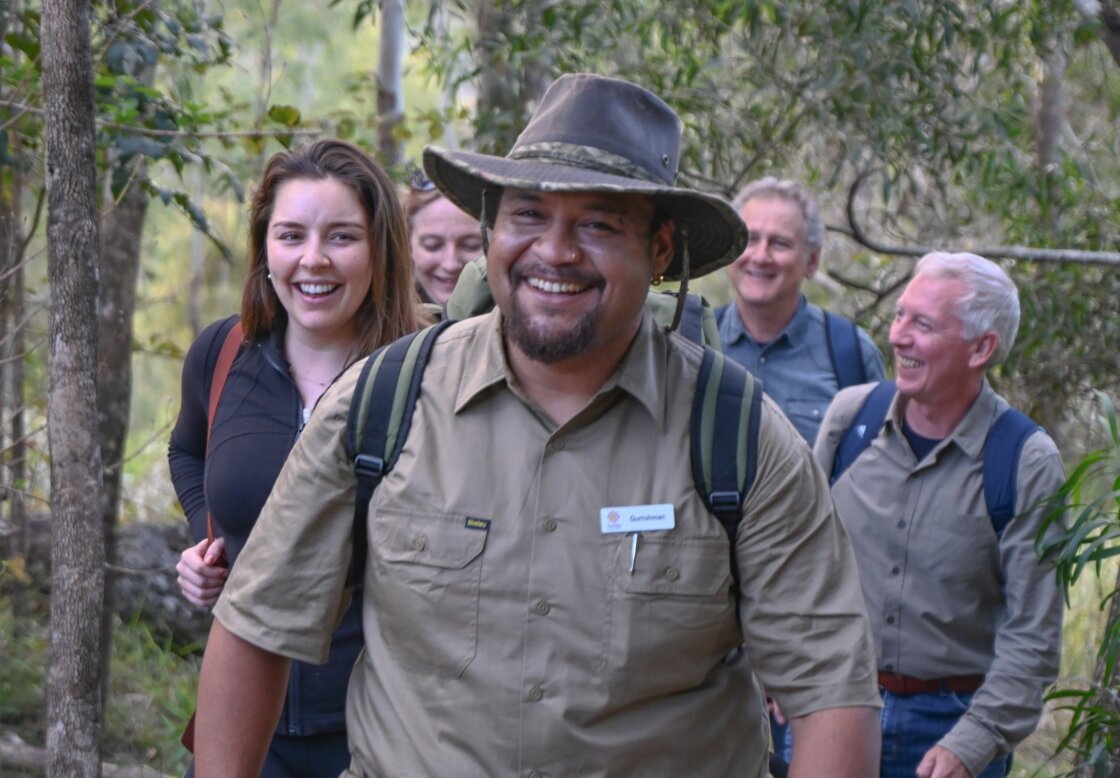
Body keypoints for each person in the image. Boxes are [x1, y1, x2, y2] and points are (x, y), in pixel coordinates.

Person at [192, 73, 881, 777]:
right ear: (491, 228)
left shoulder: (738, 439)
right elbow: (256, 628)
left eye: (598, 224)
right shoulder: (385, 402)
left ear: (662, 250)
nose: (554, 251)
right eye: (527, 216)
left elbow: (831, 693)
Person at [168, 139, 424, 777]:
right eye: (290, 235)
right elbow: (186, 452)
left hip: (383, 728)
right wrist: (211, 540)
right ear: (265, 249)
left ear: (379, 249)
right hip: (249, 728)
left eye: (342, 237)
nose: (314, 260)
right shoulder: (223, 354)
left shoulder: (425, 376)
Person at [815, 252, 1065, 778]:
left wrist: (971, 746)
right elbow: (796, 565)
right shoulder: (850, 420)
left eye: (923, 324)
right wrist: (782, 676)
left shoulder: (1024, 459)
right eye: (900, 315)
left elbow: (1033, 636)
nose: (898, 336)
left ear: (982, 348)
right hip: (834, 701)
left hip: (951, 722)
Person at [716, 177, 885, 444]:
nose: (760, 256)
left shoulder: (851, 354)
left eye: (779, 243)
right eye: (749, 239)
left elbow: (875, 466)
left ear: (812, 261)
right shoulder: (693, 341)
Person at [404, 169, 484, 305]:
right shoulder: (383, 322)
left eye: (471, 245)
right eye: (432, 245)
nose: (451, 265)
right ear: (408, 246)